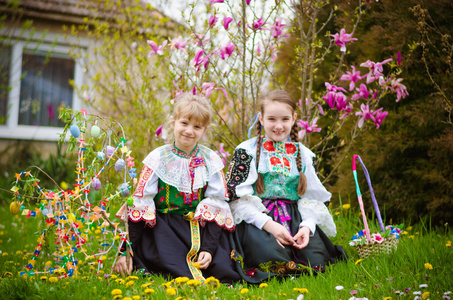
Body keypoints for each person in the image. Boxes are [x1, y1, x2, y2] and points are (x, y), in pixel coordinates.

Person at [114, 93, 240, 283]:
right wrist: (126, 250)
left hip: (201, 229)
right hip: (165, 229)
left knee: (220, 266)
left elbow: (216, 205)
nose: (189, 131)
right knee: (169, 262)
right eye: (184, 123)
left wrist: (208, 248)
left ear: (204, 129)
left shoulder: (210, 160)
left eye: (197, 126)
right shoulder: (158, 158)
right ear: (172, 123)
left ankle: (206, 255)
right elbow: (141, 206)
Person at [226, 90, 347, 283]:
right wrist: (269, 225)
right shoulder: (246, 152)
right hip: (258, 219)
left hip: (294, 218)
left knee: (316, 261)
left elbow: (311, 197)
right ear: (261, 118)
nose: (279, 126)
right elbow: (236, 198)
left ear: (294, 119)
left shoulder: (304, 154)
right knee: (268, 257)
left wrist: (306, 227)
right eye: (272, 119)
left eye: (285, 119)